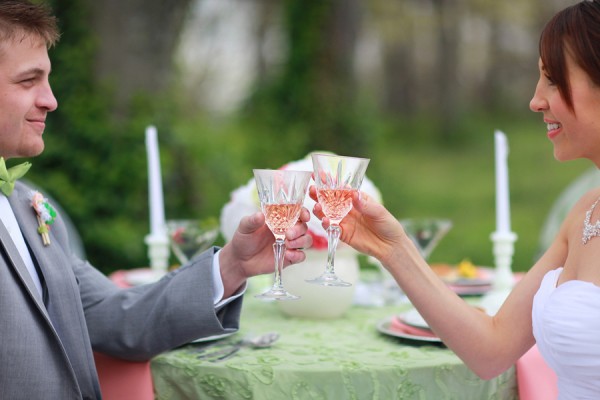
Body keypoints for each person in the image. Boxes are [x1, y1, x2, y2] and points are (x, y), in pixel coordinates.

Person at [0, 1, 312, 399]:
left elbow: (119, 318)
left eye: (47, 80)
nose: (51, 100)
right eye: (29, 81)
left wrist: (233, 264)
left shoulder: (29, 208)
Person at [312, 1, 600, 398]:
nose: (535, 101)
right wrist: (393, 249)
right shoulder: (586, 212)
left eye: (552, 79)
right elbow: (492, 349)